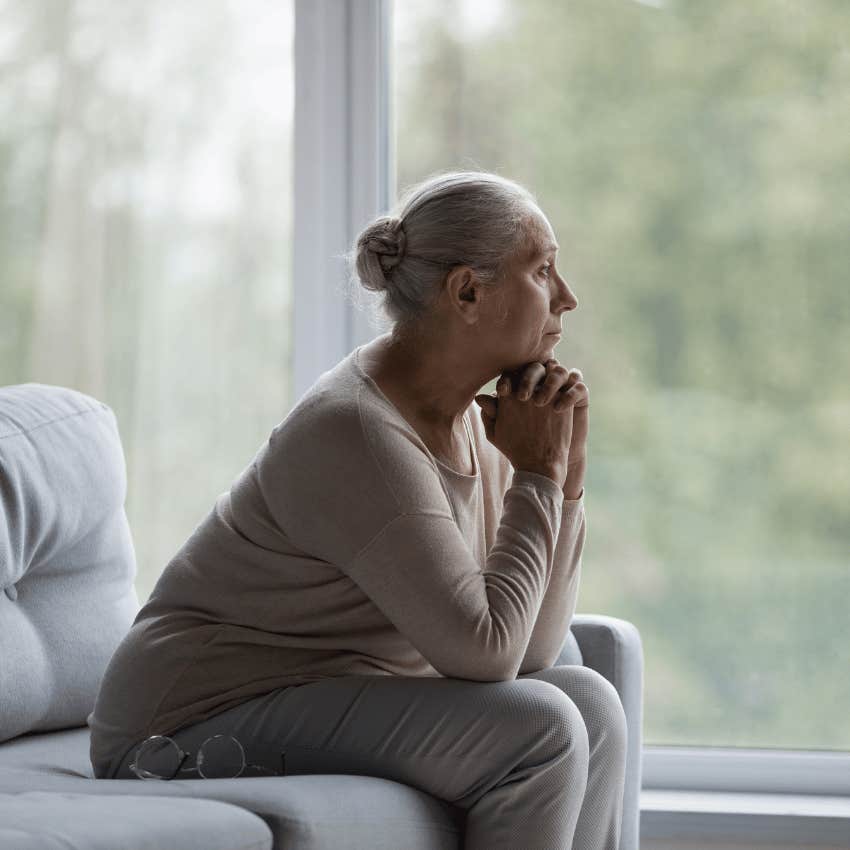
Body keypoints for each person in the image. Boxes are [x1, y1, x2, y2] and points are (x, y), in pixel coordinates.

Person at [87, 169, 627, 849]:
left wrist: (563, 477)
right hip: (181, 724)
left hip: (317, 692)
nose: (568, 298)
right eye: (544, 270)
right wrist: (538, 477)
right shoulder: (357, 432)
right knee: (541, 726)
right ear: (466, 291)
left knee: (591, 705)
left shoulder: (473, 418)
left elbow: (531, 652)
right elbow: (487, 654)